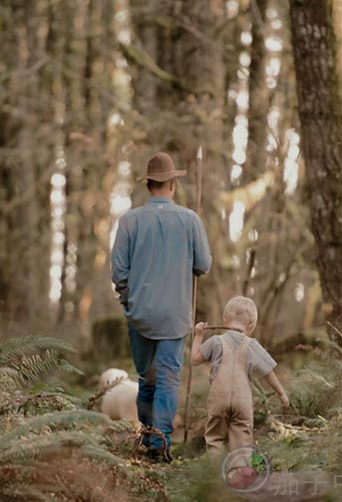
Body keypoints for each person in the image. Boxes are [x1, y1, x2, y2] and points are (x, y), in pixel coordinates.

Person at [110, 151, 212, 463]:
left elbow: (118, 273)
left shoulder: (129, 220)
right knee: (168, 379)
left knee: (146, 379)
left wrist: (130, 299)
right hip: (174, 314)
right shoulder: (190, 219)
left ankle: (147, 436)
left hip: (140, 313)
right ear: (172, 184)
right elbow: (204, 265)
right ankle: (161, 444)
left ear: (149, 184)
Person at [190, 296, 289, 454]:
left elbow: (194, 359)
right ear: (251, 326)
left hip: (218, 400)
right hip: (242, 402)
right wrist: (281, 394)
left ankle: (215, 476)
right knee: (242, 444)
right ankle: (240, 474)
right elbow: (268, 372)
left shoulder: (216, 341)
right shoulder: (252, 345)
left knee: (215, 438)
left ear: (225, 320)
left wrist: (199, 335)